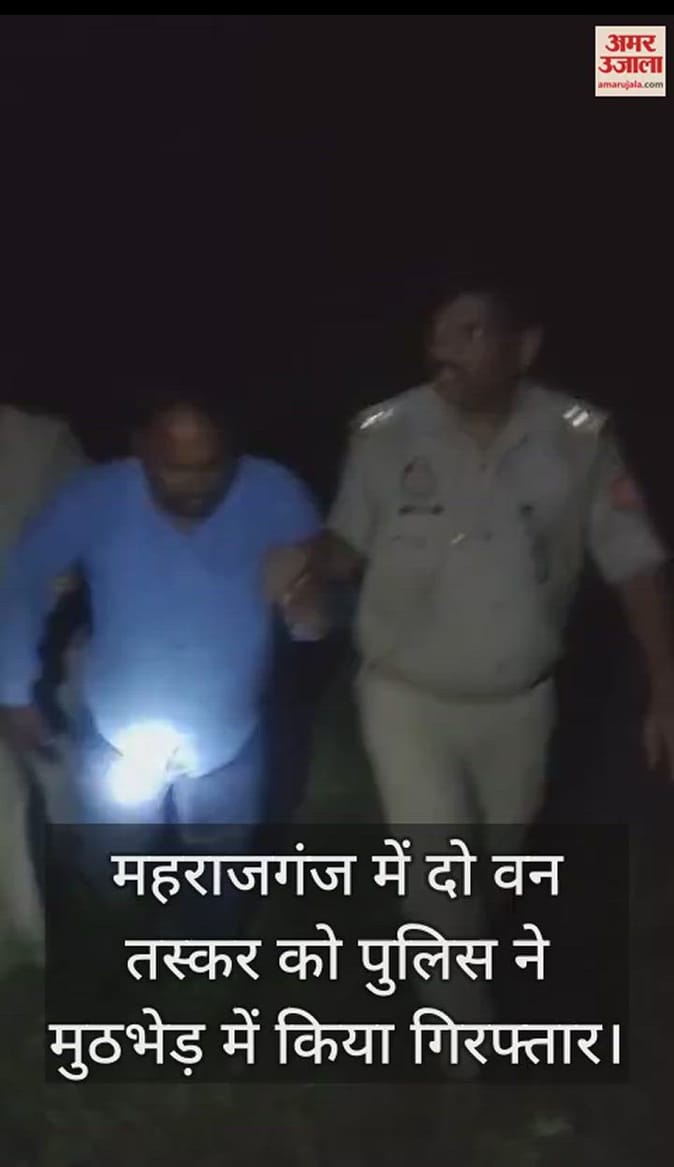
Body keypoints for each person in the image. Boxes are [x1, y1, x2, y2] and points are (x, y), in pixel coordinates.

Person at [270, 274, 674, 1056]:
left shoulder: (580, 436)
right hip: (405, 694)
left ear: (525, 347)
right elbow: (349, 539)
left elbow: (632, 559)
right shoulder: (384, 430)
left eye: (469, 333)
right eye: (436, 334)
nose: (442, 350)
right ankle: (465, 1055)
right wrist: (308, 565)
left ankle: (454, 963)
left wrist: (664, 681)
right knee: (438, 872)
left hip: (519, 700)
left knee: (496, 864)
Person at [0, 389, 323, 906]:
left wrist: (309, 605)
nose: (194, 486)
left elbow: (321, 602)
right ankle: (113, 932)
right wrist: (14, 691)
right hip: (118, 729)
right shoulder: (95, 498)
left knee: (221, 871)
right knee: (113, 865)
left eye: (210, 468)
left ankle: (207, 945)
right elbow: (24, 581)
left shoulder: (275, 493)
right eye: (174, 469)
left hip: (228, 733)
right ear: (141, 449)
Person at [0, 400, 86, 970]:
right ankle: (26, 937)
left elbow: (77, 553)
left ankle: (87, 906)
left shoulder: (42, 443)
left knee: (63, 785)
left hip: (41, 648)